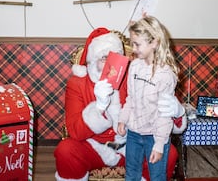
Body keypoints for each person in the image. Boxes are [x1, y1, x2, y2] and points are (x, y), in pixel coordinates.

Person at [54, 27, 186, 181]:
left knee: (168, 154)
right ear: (92, 61)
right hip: (93, 147)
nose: (111, 64)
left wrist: (177, 113)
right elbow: (75, 131)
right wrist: (99, 108)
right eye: (104, 58)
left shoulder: (135, 75)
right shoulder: (77, 84)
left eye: (114, 57)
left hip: (132, 146)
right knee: (65, 151)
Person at [117, 16, 179, 180]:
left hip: (155, 136)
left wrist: (159, 145)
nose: (133, 48)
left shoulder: (166, 75)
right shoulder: (135, 66)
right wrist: (123, 120)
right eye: (132, 43)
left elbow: (164, 115)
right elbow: (130, 98)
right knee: (131, 174)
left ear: (155, 43)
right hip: (133, 134)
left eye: (137, 44)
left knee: (157, 176)